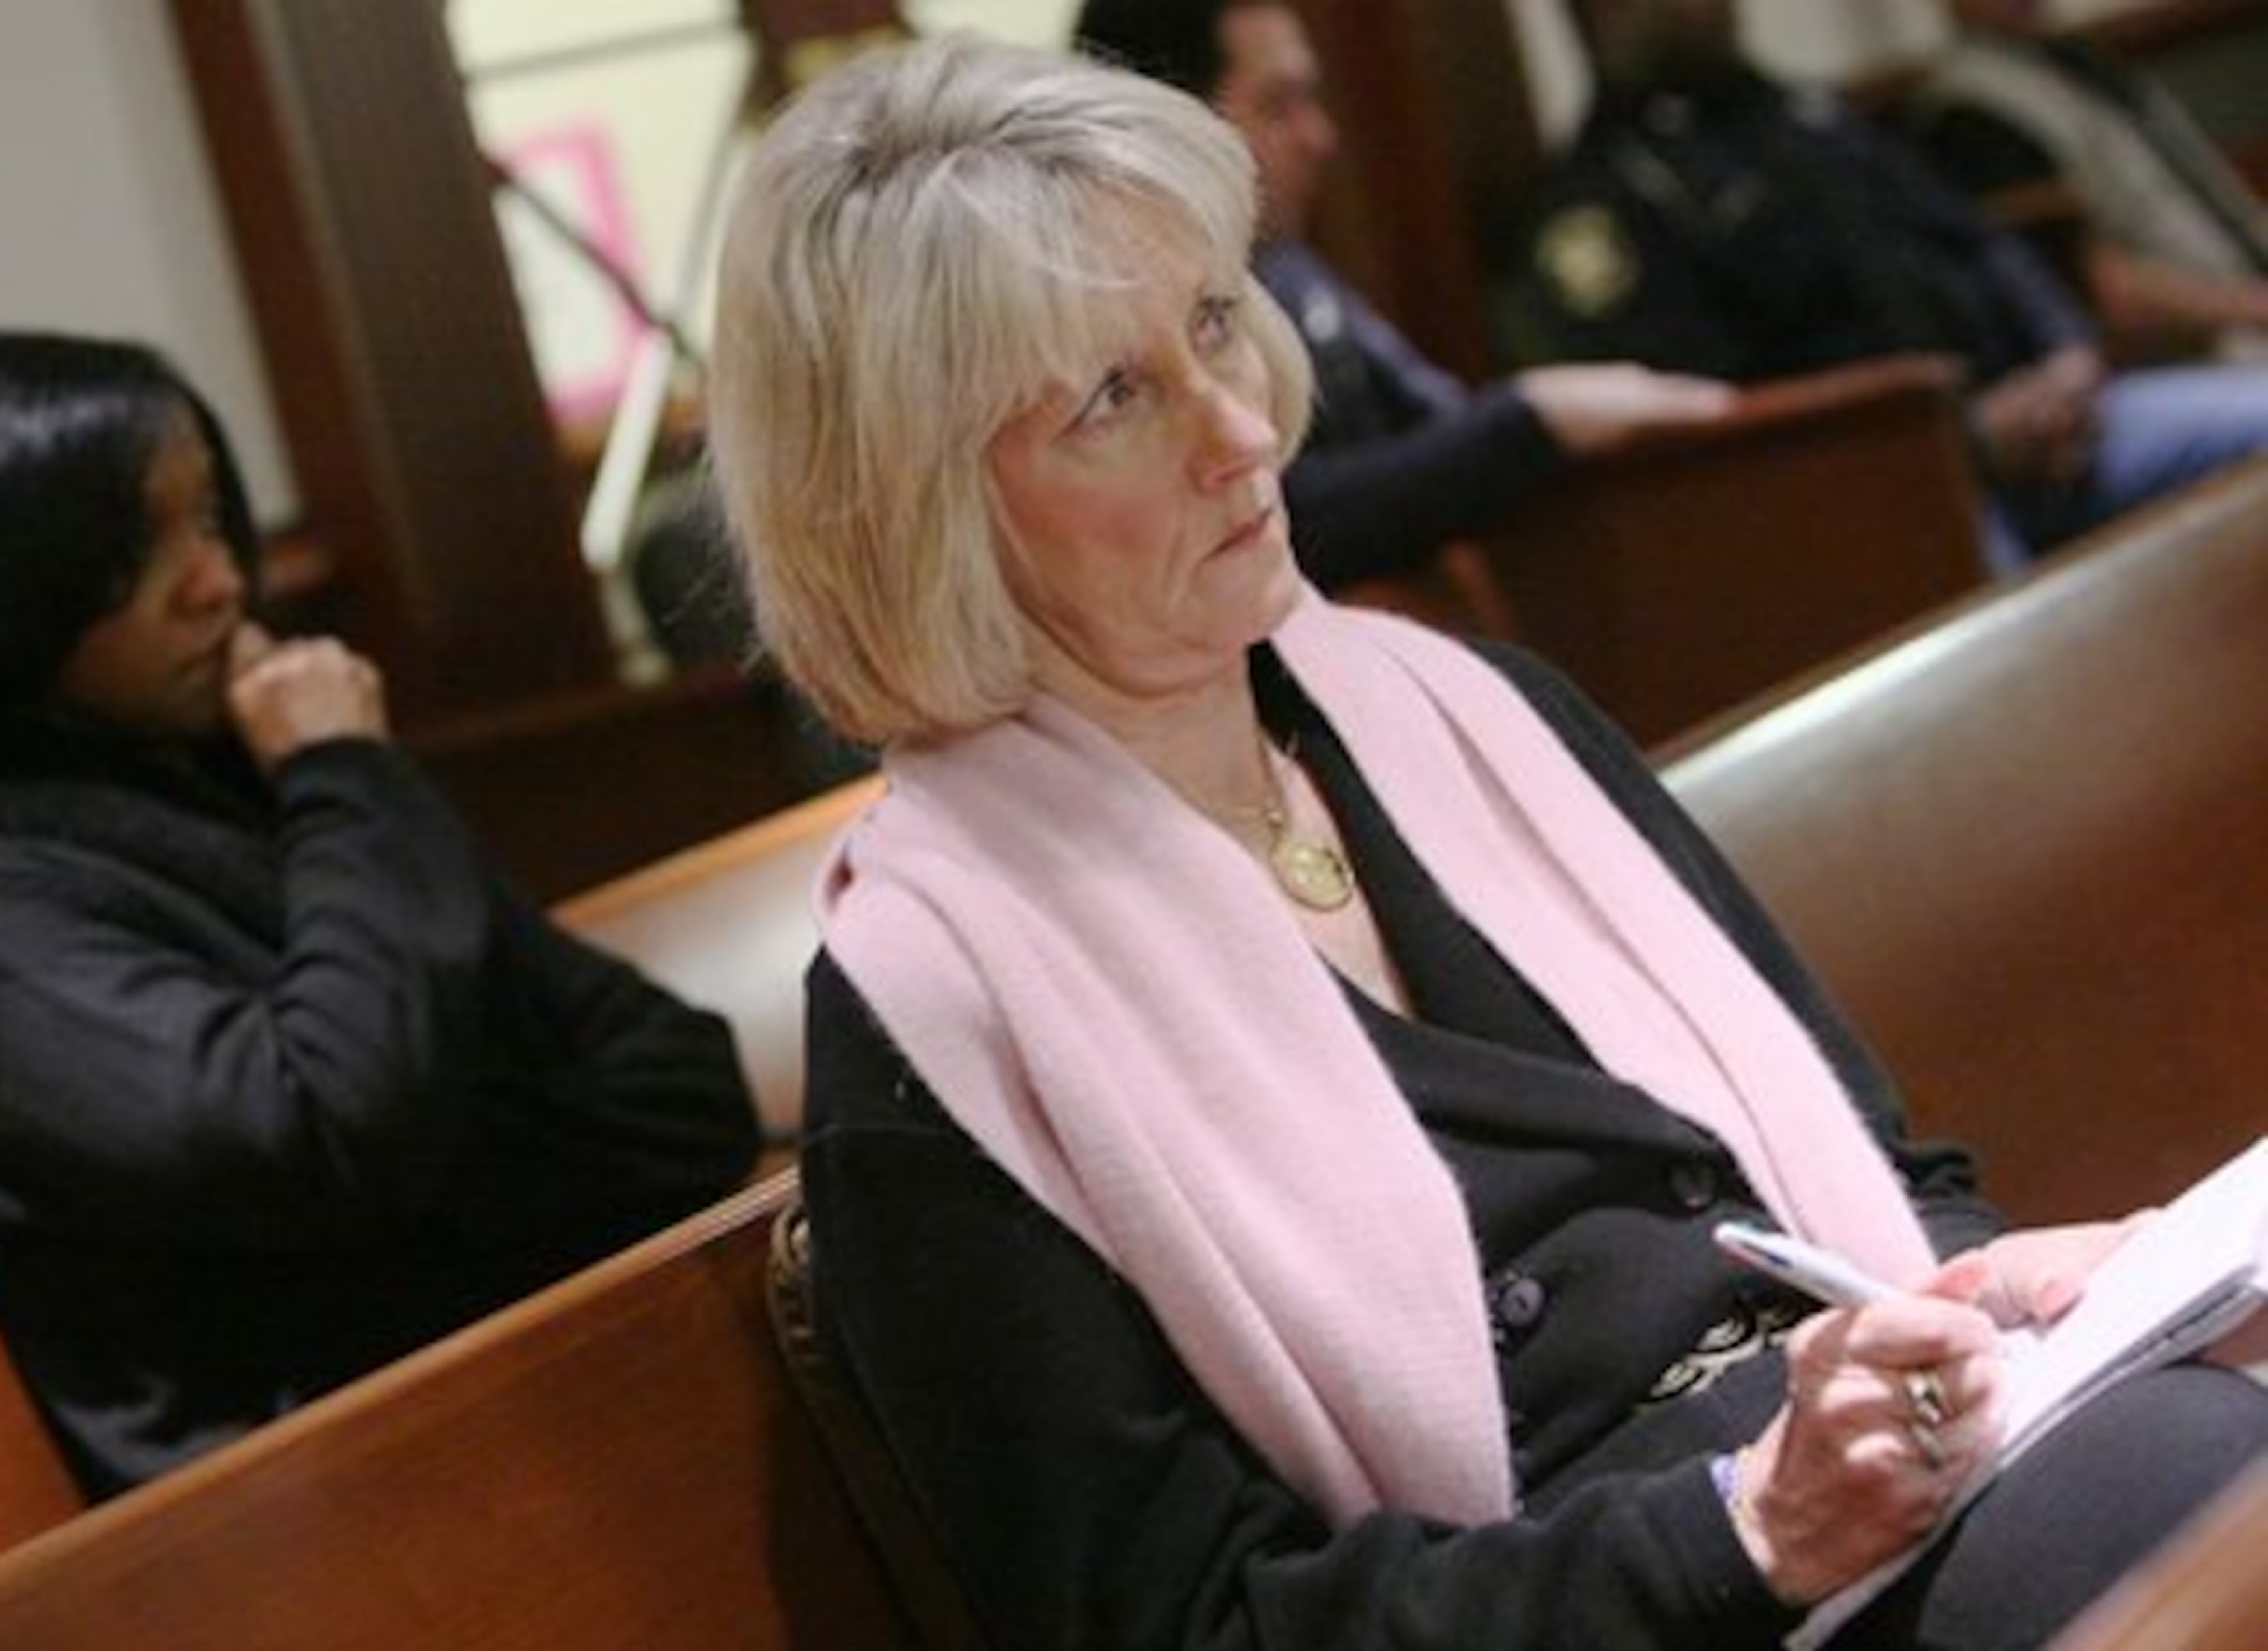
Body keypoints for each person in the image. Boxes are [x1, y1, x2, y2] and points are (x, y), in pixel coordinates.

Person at [706, 33, 2266, 1650]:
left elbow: (1883, 1175)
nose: (1236, 429)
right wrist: (1739, 1533)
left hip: (1911, 1467)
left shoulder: (1463, 713)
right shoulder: (933, 1019)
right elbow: (1188, 1630)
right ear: (918, 508)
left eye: (1213, 323)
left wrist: (1990, 1291)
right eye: (1112, 397)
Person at [0, 330, 763, 1500]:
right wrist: (349, 782)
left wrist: (424, 1177)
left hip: (539, 1422)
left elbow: (685, 1086)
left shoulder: (287, 786)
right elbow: (334, 1127)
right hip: (307, 1536)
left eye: (211, 518)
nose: (217, 578)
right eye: (136, 545)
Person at [1511, 0, 2268, 569]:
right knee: (2009, 642)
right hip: (1887, 502)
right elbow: (1710, 429)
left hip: (2056, 420)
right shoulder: (1603, 207)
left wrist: (2069, 355)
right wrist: (1964, 442)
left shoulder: (1803, 117)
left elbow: (1986, 244)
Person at [1071, 0, 1734, 596]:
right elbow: (1282, 512)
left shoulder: (1290, 272)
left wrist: (1533, 421)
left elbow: (1436, 426)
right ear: (1172, 131)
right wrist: (1529, 420)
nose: (1319, 137)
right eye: (1279, 105)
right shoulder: (1104, 332)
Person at [1906, 0, 2268, 364]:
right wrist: (2256, 307)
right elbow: (2101, 294)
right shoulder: (1969, 119)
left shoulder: (2074, 59)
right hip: (2200, 352)